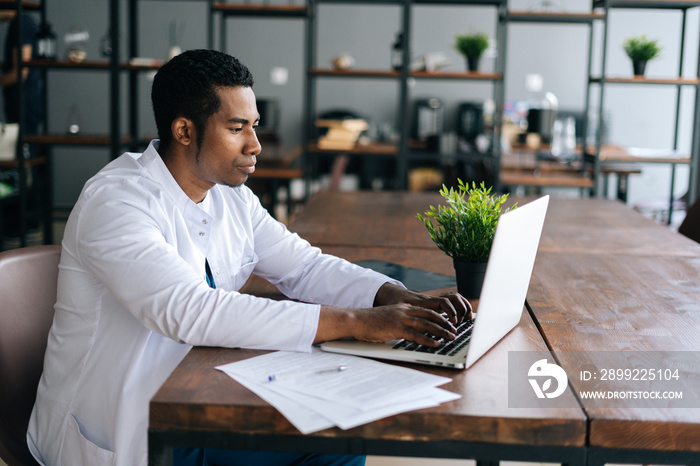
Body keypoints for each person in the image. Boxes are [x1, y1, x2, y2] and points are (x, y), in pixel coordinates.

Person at [27, 49, 470, 466]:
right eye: (237, 128)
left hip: (197, 398)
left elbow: (304, 266)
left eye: (255, 125)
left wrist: (395, 297)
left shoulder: (230, 197)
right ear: (184, 131)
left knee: (339, 439)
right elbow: (188, 311)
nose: (255, 144)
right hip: (126, 428)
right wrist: (358, 323)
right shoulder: (117, 201)